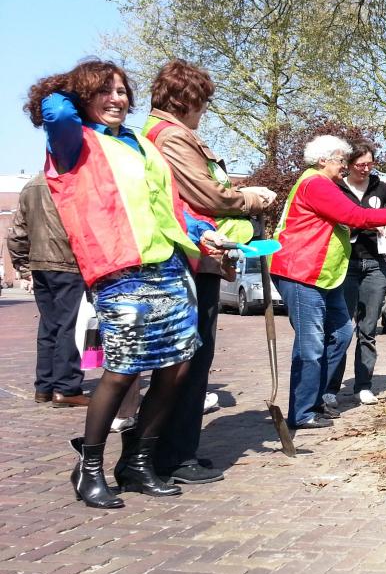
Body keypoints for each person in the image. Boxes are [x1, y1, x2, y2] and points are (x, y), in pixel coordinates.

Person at [25, 59, 229, 509]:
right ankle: (90, 467)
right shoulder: (72, 140)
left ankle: (137, 462)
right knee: (123, 368)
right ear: (84, 98)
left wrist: (201, 233)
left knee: (176, 367)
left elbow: (168, 203)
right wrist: (69, 86)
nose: (117, 98)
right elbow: (56, 110)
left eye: (121, 91)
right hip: (119, 270)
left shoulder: (139, 142)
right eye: (105, 91)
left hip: (167, 266)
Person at [143, 59, 277, 485]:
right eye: (202, 102)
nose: (204, 111)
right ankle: (169, 455)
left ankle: (172, 450)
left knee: (188, 359)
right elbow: (206, 193)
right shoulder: (171, 136)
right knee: (188, 359)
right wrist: (251, 198)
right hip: (189, 256)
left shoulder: (161, 133)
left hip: (195, 256)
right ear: (186, 99)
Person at [270, 135, 386, 430]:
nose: (343, 166)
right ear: (324, 160)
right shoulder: (315, 183)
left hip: (325, 274)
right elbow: (355, 216)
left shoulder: (328, 184)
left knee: (340, 332)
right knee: (311, 345)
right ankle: (302, 412)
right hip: (301, 271)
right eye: (340, 160)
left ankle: (319, 397)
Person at [323, 139, 386, 408]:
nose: (365, 169)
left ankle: (363, 385)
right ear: (348, 165)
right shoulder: (335, 188)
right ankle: (329, 388)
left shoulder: (381, 189)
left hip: (375, 264)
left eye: (370, 165)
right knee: (339, 330)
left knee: (368, 329)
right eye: (360, 165)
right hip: (344, 266)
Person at [6, 172, 89, 408]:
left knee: (49, 325)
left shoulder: (32, 185)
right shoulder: (75, 180)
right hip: (69, 263)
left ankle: (44, 387)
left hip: (40, 264)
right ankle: (66, 388)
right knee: (69, 325)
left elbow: (17, 232)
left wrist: (23, 265)